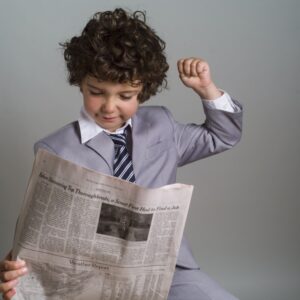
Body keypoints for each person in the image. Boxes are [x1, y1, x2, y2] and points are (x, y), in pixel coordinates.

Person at [0, 8, 242, 300]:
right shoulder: (54, 148)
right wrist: (15, 268)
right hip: (90, 281)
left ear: (144, 90)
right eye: (96, 91)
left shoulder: (162, 126)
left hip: (168, 273)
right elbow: (37, 236)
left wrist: (207, 90)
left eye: (125, 96)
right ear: (80, 83)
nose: (109, 107)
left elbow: (223, 136)